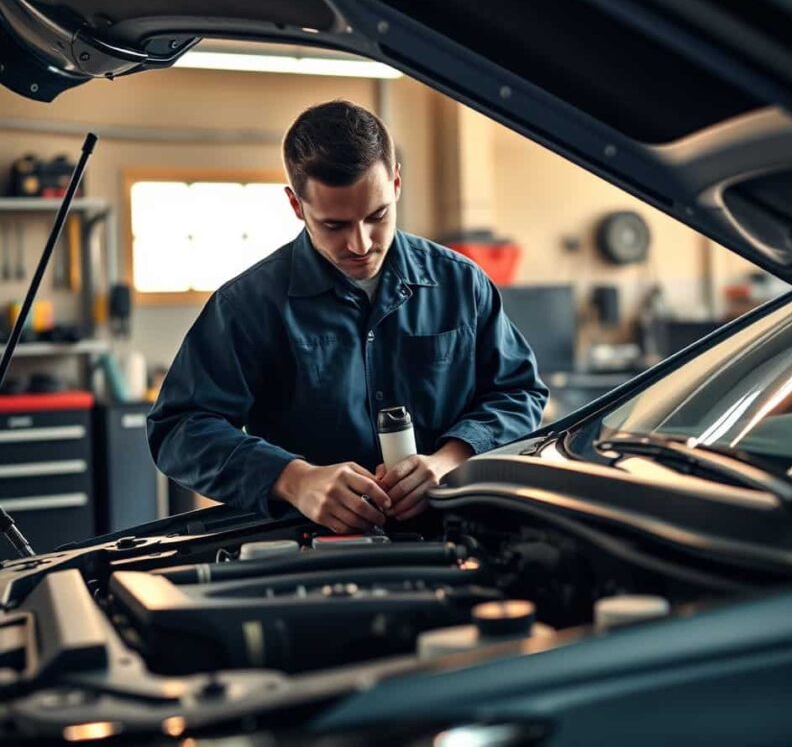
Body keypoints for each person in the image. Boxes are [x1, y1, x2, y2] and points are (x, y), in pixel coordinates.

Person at [148, 100, 548, 532]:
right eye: (334, 225)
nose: (360, 245)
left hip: (454, 535)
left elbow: (518, 392)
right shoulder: (248, 305)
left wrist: (449, 459)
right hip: (313, 548)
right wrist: (294, 479)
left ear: (396, 183)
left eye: (377, 216)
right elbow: (180, 430)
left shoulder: (462, 284)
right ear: (296, 206)